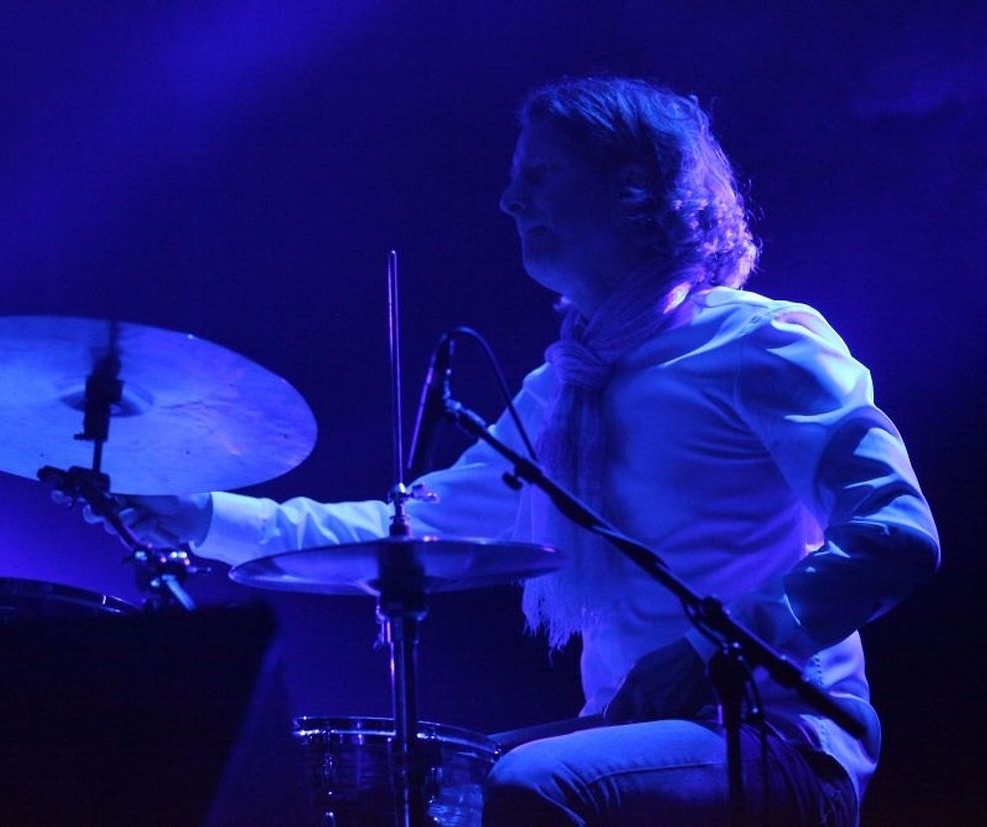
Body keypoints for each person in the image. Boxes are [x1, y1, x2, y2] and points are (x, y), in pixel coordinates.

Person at [110, 76, 939, 825]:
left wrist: (709, 651)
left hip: (779, 739)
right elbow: (404, 533)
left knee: (528, 784)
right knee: (419, 788)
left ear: (632, 188)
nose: (510, 201)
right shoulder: (560, 391)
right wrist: (199, 515)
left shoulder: (762, 343)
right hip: (629, 733)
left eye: (539, 174)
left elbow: (896, 534)